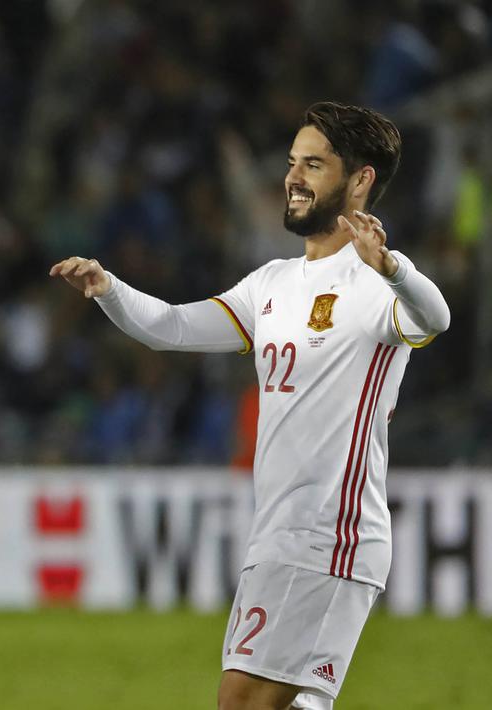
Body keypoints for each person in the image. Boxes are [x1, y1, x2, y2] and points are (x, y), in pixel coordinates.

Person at [51, 101, 450, 710]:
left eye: (313, 165)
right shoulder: (271, 283)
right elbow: (173, 327)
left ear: (360, 179)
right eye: (293, 162)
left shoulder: (373, 282)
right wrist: (109, 290)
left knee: (239, 701)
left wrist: (392, 268)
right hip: (284, 532)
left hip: (327, 535)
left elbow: (435, 317)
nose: (293, 177)